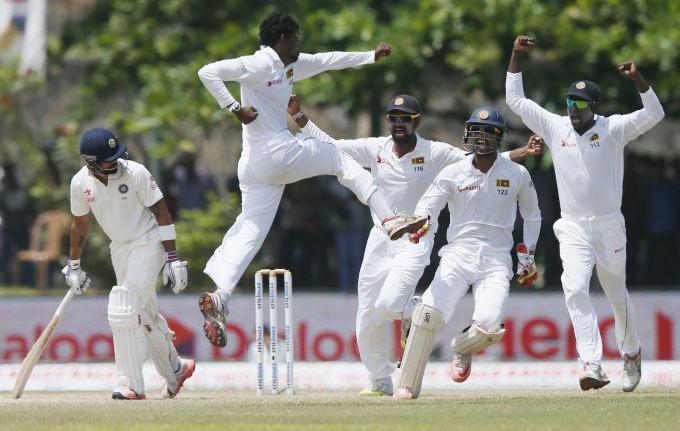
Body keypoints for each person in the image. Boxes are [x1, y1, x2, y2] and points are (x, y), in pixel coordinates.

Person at [196, 12, 426, 348]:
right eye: (297, 38)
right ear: (284, 38)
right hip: (274, 154)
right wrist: (234, 108)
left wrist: (369, 57)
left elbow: (326, 60)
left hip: (257, 166)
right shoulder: (259, 63)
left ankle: (221, 296)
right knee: (339, 158)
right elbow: (208, 72)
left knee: (251, 229)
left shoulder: (289, 66)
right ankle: (390, 219)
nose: (301, 44)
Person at [288, 94, 542, 396]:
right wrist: (300, 117)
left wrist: (522, 153)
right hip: (380, 236)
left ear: (416, 121)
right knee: (368, 311)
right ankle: (380, 380)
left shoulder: (435, 152)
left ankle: (415, 312)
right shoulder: (375, 149)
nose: (398, 122)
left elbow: (481, 160)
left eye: (404, 117)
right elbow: (331, 146)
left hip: (416, 235)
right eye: (393, 117)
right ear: (387, 121)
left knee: (390, 304)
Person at [505, 35, 665, 392]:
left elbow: (655, 113)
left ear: (593, 106)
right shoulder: (555, 127)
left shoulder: (614, 129)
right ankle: (591, 363)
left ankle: (630, 353)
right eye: (568, 102)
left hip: (609, 225)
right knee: (574, 287)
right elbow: (516, 100)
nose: (572, 108)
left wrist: (639, 81)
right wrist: (516, 56)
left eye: (579, 103)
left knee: (615, 293)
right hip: (573, 226)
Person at [392, 107, 541, 400]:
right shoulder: (453, 171)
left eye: (488, 133)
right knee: (428, 316)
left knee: (489, 327)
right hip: (457, 255)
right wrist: (422, 223)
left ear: (500, 138)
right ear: (467, 135)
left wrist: (528, 257)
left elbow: (533, 216)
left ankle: (462, 348)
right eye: (475, 132)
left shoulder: (516, 173)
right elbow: (428, 206)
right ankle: (406, 385)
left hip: (496, 259)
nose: (481, 138)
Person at [66, 127, 194, 400]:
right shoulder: (80, 184)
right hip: (120, 249)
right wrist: (74, 265)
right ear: (91, 161)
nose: (116, 161)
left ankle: (130, 385)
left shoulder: (134, 171)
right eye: (109, 159)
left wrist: (172, 258)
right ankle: (175, 368)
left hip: (148, 242)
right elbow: (80, 224)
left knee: (123, 303)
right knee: (141, 312)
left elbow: (161, 210)